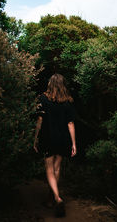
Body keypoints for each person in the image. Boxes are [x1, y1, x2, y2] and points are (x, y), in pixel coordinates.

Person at [34, 73, 76, 217]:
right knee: (57, 169)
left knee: (49, 169)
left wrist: (35, 138)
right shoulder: (68, 102)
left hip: (48, 138)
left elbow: (39, 121)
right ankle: (51, 199)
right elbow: (70, 124)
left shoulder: (42, 99)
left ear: (50, 84)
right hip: (63, 139)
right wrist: (73, 143)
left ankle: (57, 198)